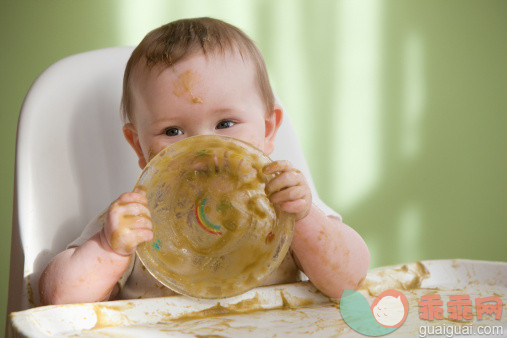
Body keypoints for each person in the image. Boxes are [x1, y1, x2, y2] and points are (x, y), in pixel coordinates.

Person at [39, 17, 370, 305]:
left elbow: (350, 281)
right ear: (139, 146)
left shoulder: (284, 205)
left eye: (225, 124)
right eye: (173, 130)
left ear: (268, 129)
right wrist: (109, 248)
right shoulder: (138, 220)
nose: (203, 148)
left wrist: (304, 220)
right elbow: (58, 298)